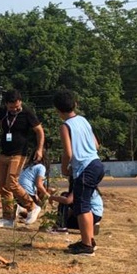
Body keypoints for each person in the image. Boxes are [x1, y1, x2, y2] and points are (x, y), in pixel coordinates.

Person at [0, 89, 45, 228]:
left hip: (19, 153)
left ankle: (32, 206)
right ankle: (8, 218)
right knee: (4, 187)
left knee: (12, 182)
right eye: (11, 107)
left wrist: (39, 149)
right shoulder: (2, 112)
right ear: (6, 104)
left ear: (20, 102)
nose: (15, 109)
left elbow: (39, 131)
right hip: (4, 153)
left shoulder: (27, 113)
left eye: (17, 106)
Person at [53, 89, 104, 255]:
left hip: (85, 167)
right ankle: (88, 240)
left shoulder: (65, 126)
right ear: (75, 104)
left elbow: (68, 153)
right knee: (84, 204)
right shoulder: (83, 120)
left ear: (57, 110)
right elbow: (96, 145)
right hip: (96, 164)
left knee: (81, 206)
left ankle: (86, 246)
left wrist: (64, 167)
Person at [16, 149, 54, 218]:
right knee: (36, 210)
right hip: (27, 192)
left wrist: (36, 195)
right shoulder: (41, 167)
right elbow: (39, 185)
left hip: (19, 191)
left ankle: (21, 209)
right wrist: (48, 196)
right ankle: (22, 210)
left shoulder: (28, 166)